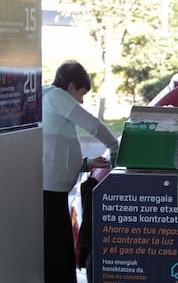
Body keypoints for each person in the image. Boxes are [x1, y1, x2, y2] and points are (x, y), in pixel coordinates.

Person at [41, 60, 119, 283]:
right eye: (81, 93)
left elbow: (58, 149)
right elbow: (92, 125)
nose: (81, 99)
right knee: (55, 246)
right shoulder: (56, 96)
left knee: (59, 244)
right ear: (72, 85)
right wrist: (116, 147)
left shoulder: (51, 97)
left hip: (54, 187)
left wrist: (86, 164)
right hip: (50, 188)